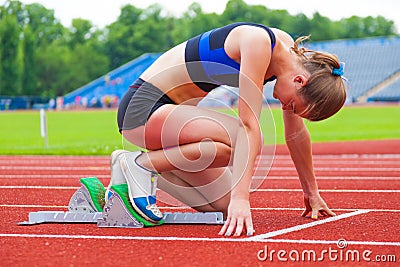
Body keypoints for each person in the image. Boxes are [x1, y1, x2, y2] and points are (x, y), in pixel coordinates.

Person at [108, 22, 346, 236]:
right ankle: (141, 166)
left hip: (172, 124)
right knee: (242, 142)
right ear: (300, 81)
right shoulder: (259, 42)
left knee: (223, 205)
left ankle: (130, 164)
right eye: (292, 105)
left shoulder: (287, 66)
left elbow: (295, 133)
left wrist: (311, 192)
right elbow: (248, 125)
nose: (286, 108)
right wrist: (242, 198)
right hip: (143, 109)